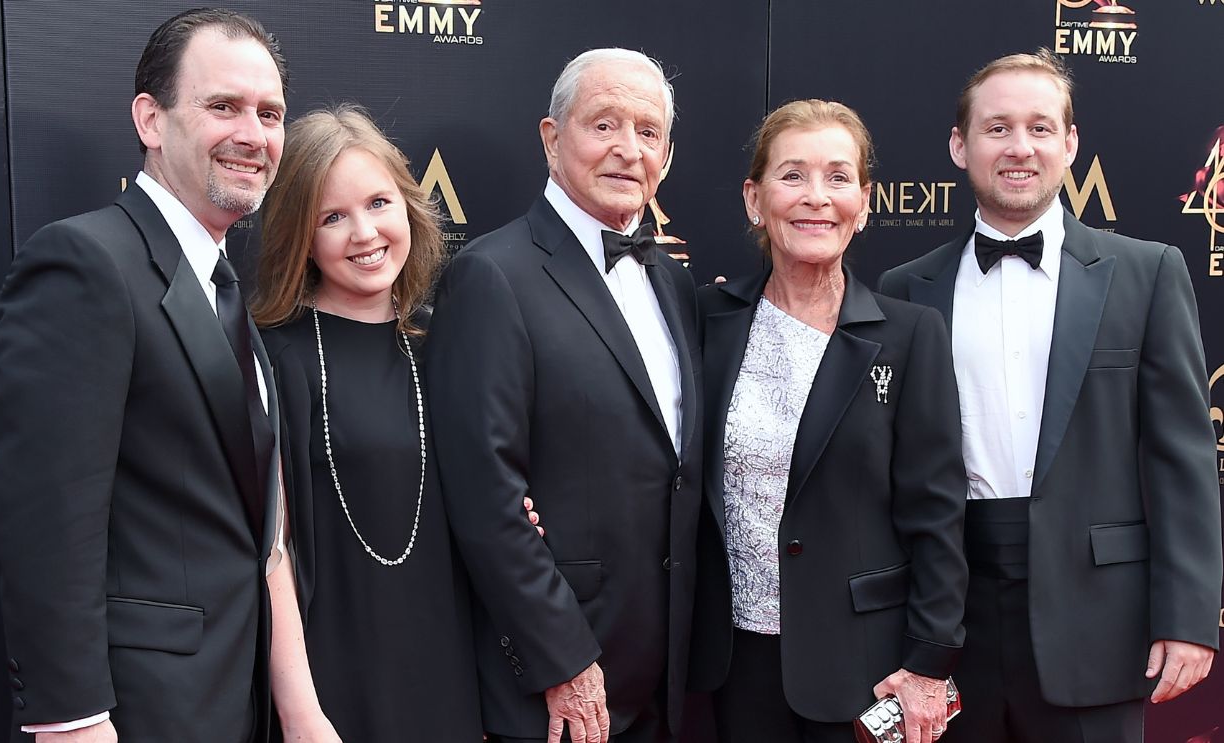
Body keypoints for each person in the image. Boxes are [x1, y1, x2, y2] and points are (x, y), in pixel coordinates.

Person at [879, 49, 1222, 743]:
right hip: (948, 617)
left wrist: (1186, 615)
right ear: (958, 145)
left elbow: (1182, 457)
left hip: (1099, 618)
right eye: (996, 127)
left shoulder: (1146, 272)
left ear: (1069, 143)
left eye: (1039, 127)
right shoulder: (902, 290)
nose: (1018, 147)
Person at [0, 9, 293, 742]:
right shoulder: (87, 263)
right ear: (150, 121)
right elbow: (47, 521)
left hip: (230, 698)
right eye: (223, 106)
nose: (253, 134)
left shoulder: (224, 289)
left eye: (270, 113)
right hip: (135, 711)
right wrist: (72, 719)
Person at [425, 48, 702, 743]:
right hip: (558, 683)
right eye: (603, 123)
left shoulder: (671, 282)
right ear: (552, 138)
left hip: (670, 678)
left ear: (666, 154)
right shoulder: (491, 275)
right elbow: (486, 495)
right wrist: (563, 660)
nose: (626, 148)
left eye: (647, 131)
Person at [688, 100, 969, 743]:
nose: (817, 197)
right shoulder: (704, 320)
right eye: (792, 175)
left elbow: (937, 513)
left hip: (865, 667)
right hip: (727, 667)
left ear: (864, 202)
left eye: (838, 177)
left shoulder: (910, 335)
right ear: (754, 199)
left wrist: (929, 662)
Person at [250, 104, 482, 741]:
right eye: (333, 216)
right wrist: (301, 714)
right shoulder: (278, 358)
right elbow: (270, 556)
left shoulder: (449, 345)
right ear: (301, 234)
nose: (364, 233)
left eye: (379, 203)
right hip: (334, 684)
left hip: (454, 677)